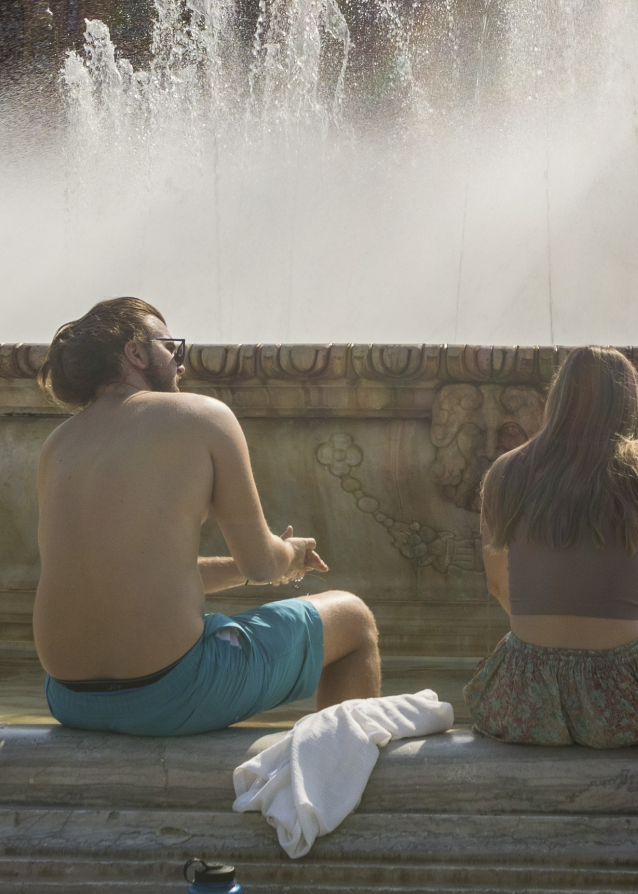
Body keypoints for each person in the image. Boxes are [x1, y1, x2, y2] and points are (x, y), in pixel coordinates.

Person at [33, 297, 382, 735]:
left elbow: (133, 572)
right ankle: (340, 780)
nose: (182, 364)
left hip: (68, 698)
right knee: (352, 618)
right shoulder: (202, 416)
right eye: (172, 347)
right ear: (135, 353)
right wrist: (289, 555)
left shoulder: (58, 445)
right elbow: (262, 564)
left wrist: (239, 569)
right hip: (171, 691)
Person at [465, 346, 638, 748]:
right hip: (618, 708)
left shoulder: (503, 473)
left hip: (521, 704)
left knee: (510, 645)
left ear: (557, 398)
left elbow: (499, 587)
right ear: (628, 403)